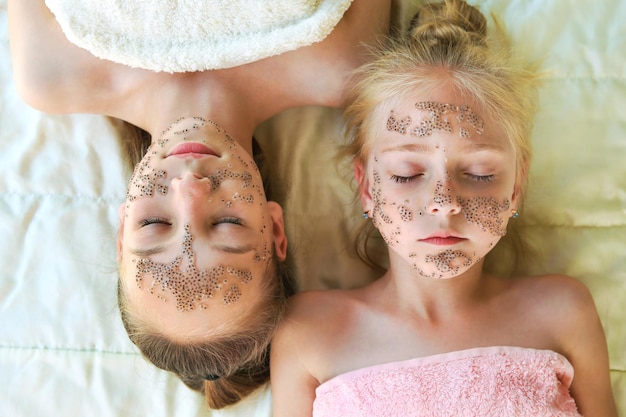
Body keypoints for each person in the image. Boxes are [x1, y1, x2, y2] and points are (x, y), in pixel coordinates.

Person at [7, 0, 392, 409]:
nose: (189, 189)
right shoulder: (343, 62)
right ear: (275, 228)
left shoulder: (50, 71)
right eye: (227, 223)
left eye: (155, 223)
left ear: (122, 232)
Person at [270, 1, 618, 416]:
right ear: (365, 186)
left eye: (479, 172)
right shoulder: (308, 332)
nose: (444, 203)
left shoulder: (562, 312)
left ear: (516, 187)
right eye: (406, 174)